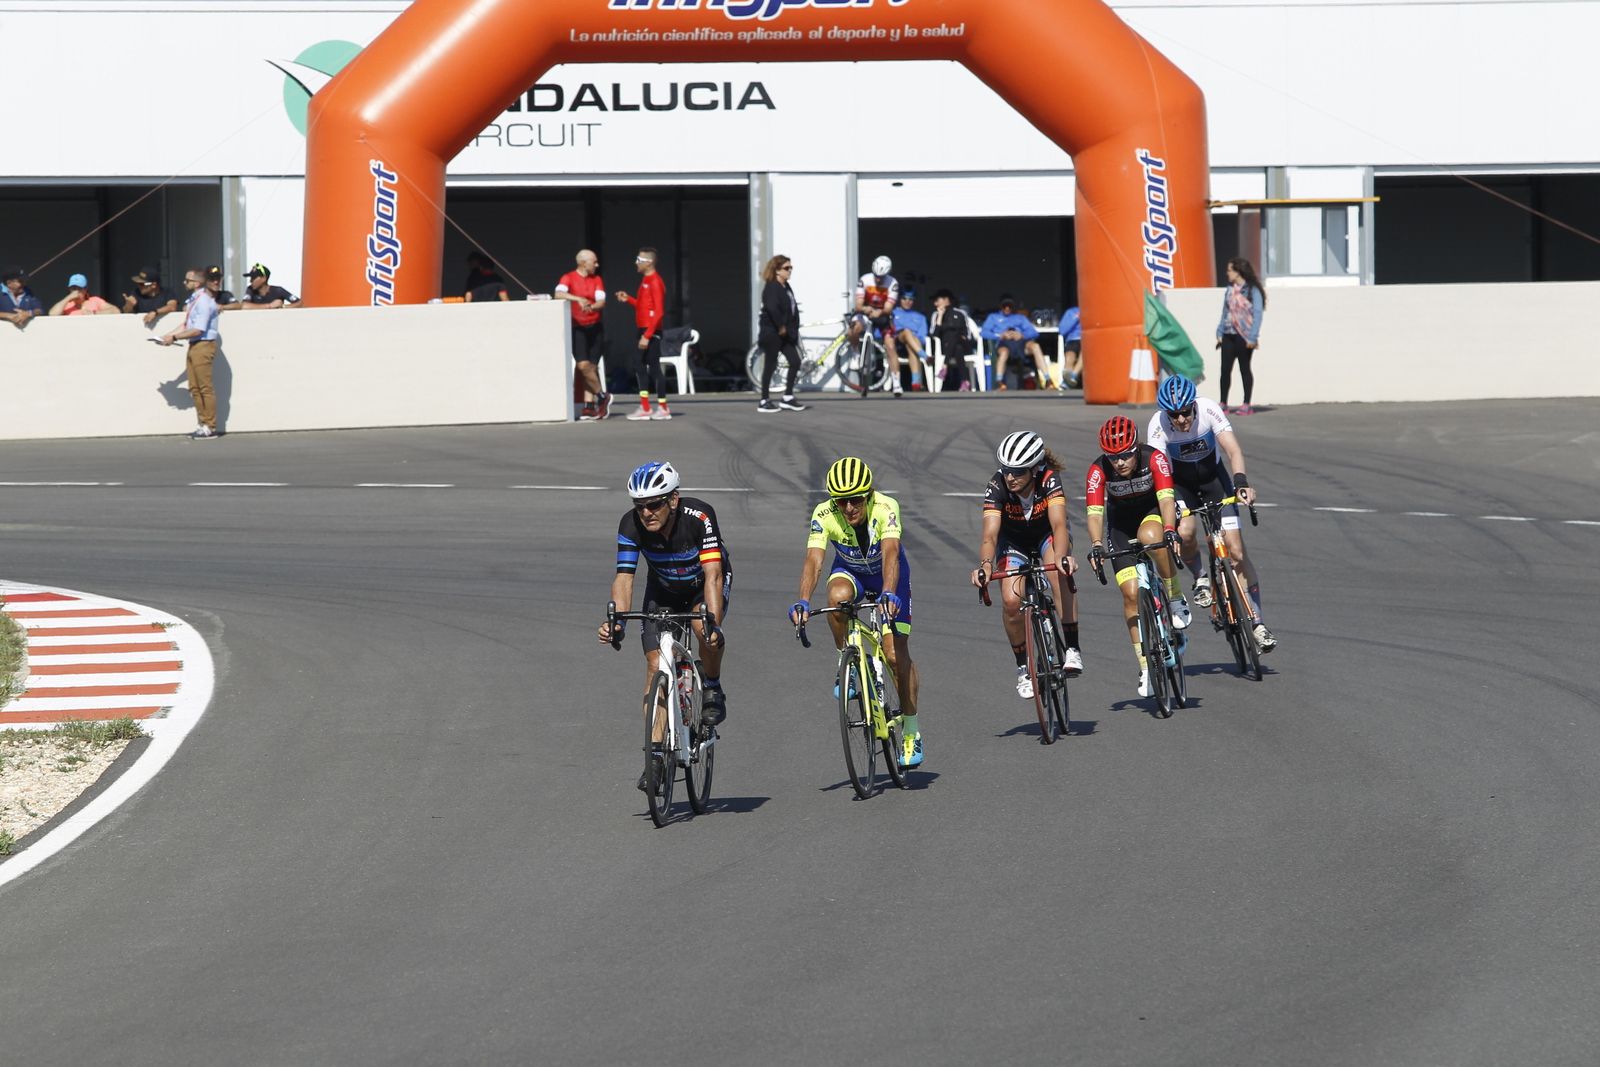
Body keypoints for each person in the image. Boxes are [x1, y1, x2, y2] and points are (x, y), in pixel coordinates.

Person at [597, 461, 730, 789]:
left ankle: (712, 686)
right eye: (639, 505)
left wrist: (712, 623)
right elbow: (624, 578)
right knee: (655, 665)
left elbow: (713, 574)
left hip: (702, 587)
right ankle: (655, 757)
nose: (646, 513)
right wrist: (617, 623)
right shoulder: (630, 524)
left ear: (673, 499)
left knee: (703, 632)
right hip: (663, 591)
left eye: (654, 504)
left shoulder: (699, 516)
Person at [788, 457, 923, 769]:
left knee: (894, 654)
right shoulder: (823, 513)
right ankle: (845, 661)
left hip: (889, 576)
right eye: (841, 501)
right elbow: (814, 560)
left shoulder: (886, 507)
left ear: (869, 494)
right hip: (852, 574)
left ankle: (911, 730)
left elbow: (891, 553)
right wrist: (803, 601)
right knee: (836, 598)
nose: (849, 508)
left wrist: (888, 591)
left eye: (856, 500)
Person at [1147, 374, 1277, 652]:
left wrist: (1240, 482)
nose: (1181, 419)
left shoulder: (1207, 409)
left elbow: (1233, 450)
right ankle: (1200, 577)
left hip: (1214, 481)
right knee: (1185, 532)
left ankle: (1258, 623)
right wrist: (1167, 504)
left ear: (1193, 406)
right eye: (1174, 415)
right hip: (1180, 486)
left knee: (1236, 552)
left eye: (1185, 412)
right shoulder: (1158, 424)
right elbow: (1159, 471)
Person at [970, 430, 1084, 699]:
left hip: (1047, 535)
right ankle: (1023, 668)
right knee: (1011, 601)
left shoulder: (1049, 479)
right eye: (1006, 470)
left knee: (1057, 573)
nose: (1010, 477)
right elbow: (990, 535)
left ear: (1034, 469)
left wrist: (1063, 557)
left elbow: (1059, 524)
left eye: (1018, 472)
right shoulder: (997, 485)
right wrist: (985, 565)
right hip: (1013, 541)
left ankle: (1072, 648)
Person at [1084, 415, 1191, 698]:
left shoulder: (1154, 458)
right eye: (1113, 457)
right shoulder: (1098, 470)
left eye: (1125, 455)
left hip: (1153, 512)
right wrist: (1097, 544)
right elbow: (1095, 514)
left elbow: (1166, 499)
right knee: (1130, 593)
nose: (1119, 463)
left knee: (1151, 538)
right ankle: (1145, 667)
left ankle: (1175, 597)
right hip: (1120, 524)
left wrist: (1170, 530)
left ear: (1137, 447)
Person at [156, 266, 222, 439]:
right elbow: (187, 324)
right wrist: (168, 336)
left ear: (197, 283)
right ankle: (203, 424)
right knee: (194, 387)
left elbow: (198, 329)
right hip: (195, 344)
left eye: (188, 280)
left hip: (203, 344)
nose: (184, 282)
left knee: (205, 388)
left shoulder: (204, 301)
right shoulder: (195, 299)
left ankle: (210, 426)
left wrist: (174, 337)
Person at [614, 246, 670, 421]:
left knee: (653, 367)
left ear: (649, 262)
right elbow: (644, 306)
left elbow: (659, 311)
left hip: (650, 330)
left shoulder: (655, 281)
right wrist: (629, 299)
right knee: (639, 365)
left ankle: (662, 408)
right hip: (644, 329)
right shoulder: (646, 280)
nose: (636, 263)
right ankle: (645, 407)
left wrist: (647, 335)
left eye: (639, 260)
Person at [555, 249, 611, 420]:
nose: (597, 265)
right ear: (583, 263)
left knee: (592, 367)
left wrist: (591, 306)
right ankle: (602, 396)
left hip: (595, 327)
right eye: (594, 262)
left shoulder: (597, 279)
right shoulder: (568, 277)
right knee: (583, 366)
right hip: (577, 327)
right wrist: (578, 299)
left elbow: (601, 301)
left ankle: (589, 406)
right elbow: (558, 294)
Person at [756, 254, 807, 414]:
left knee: (795, 361)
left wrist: (792, 328)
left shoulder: (786, 287)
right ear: (777, 270)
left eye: (791, 267)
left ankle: (787, 397)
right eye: (786, 268)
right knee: (770, 365)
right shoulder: (772, 287)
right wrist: (780, 326)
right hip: (773, 332)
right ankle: (764, 400)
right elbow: (772, 308)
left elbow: (791, 308)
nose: (789, 270)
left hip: (786, 333)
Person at [847, 254, 902, 397]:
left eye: (881, 277)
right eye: (876, 275)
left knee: (890, 346)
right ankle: (855, 353)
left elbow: (888, 308)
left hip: (883, 315)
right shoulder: (865, 279)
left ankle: (897, 383)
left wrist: (880, 312)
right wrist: (866, 309)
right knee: (853, 328)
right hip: (865, 312)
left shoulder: (893, 283)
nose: (878, 279)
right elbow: (858, 305)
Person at [1216, 257, 1266, 415]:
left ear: (1238, 272)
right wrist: (1219, 331)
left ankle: (1246, 404)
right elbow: (1225, 311)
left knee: (1244, 369)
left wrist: (1253, 337)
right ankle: (1223, 403)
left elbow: (1257, 314)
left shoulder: (1252, 290)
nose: (1227, 273)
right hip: (1228, 333)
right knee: (1225, 369)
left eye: (1230, 270)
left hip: (1244, 336)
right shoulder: (1230, 289)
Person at [981, 294, 1053, 391]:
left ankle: (1047, 380)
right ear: (1000, 306)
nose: (1007, 308)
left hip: (1020, 343)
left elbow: (1034, 332)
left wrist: (1021, 335)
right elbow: (984, 332)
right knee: (1004, 352)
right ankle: (1000, 382)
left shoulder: (1020, 318)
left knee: (1035, 346)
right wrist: (1000, 335)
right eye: (1004, 306)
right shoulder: (993, 317)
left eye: (1009, 306)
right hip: (1004, 343)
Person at [929, 288, 976, 392]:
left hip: (963, 344)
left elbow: (968, 334)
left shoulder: (960, 313)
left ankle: (944, 366)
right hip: (945, 347)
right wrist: (940, 316)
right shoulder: (935, 315)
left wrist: (961, 337)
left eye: (937, 300)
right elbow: (934, 335)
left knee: (955, 336)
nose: (935, 303)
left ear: (946, 300)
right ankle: (964, 382)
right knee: (957, 348)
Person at [891, 288, 929, 391]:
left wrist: (913, 339)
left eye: (910, 299)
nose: (907, 301)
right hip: (897, 345)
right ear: (900, 299)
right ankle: (924, 356)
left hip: (914, 345)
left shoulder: (920, 317)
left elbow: (922, 336)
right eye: (904, 298)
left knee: (911, 345)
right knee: (907, 331)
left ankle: (915, 383)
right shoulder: (892, 313)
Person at [225, 264, 299, 310]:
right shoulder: (250, 289)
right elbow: (244, 306)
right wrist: (269, 306)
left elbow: (299, 303)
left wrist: (283, 307)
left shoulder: (278, 290)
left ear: (264, 278)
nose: (251, 281)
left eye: (253, 278)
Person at [48, 273, 119, 316]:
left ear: (85, 289)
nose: (76, 291)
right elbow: (52, 314)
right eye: (73, 288)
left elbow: (115, 311)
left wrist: (94, 313)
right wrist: (68, 298)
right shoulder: (66, 304)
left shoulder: (95, 300)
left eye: (79, 288)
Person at [1059, 305, 1083, 389]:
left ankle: (1072, 377)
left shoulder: (1093, 310)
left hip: (1087, 339)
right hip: (1072, 339)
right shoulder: (1071, 312)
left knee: (1084, 352)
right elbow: (1062, 330)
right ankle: (1068, 378)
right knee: (1070, 356)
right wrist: (1076, 318)